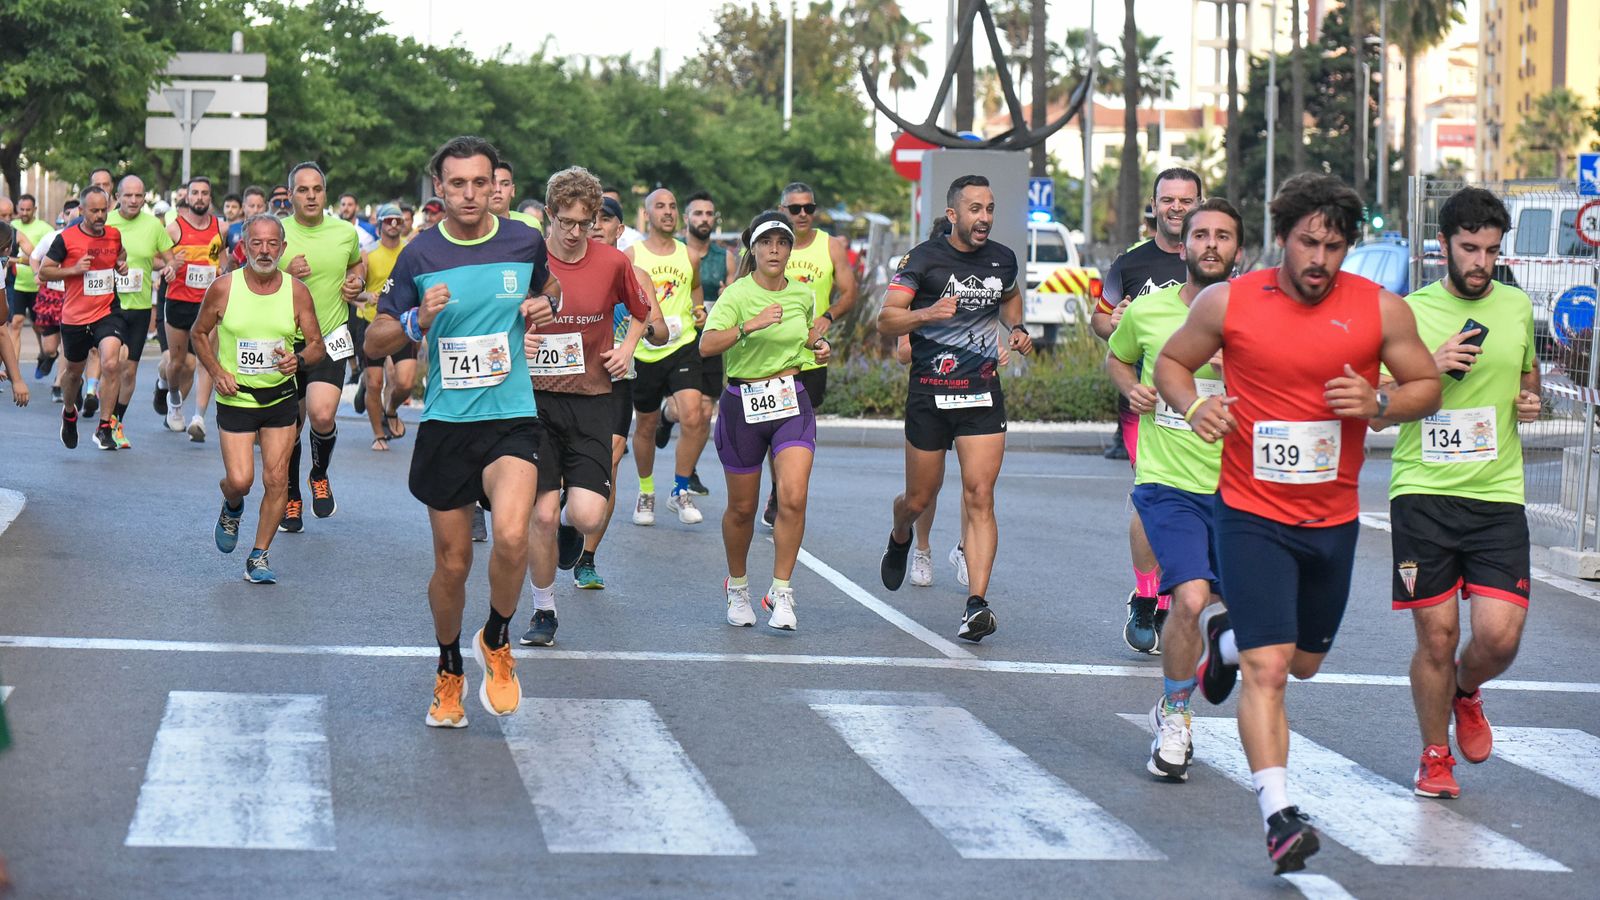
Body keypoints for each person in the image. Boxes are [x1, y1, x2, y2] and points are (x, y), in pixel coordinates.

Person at [1154, 172, 1441, 874]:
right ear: (1282, 238)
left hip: (1331, 521)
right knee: (1271, 669)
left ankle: (1223, 642)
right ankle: (1279, 816)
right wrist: (1195, 408)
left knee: (1304, 664)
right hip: (1250, 512)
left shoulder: (1379, 310)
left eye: (1334, 246)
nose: (1320, 259)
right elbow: (1170, 363)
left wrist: (1377, 403)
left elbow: (1426, 387)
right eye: (1308, 242)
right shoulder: (1231, 301)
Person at [365, 135, 559, 729]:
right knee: (452, 566)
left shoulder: (525, 239)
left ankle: (496, 638)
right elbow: (374, 342)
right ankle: (449, 666)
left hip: (512, 415)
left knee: (511, 536)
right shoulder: (420, 255)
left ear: (493, 183)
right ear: (439, 189)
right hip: (448, 422)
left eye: (481, 183)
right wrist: (415, 320)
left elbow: (549, 288)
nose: (470, 194)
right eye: (457, 184)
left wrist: (545, 305)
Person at [1379, 188, 1541, 799]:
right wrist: (1433, 366)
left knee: (1499, 638)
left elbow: (1528, 379)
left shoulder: (1518, 306)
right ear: (1443, 245)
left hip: (1498, 492)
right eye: (1469, 248)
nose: (1480, 262)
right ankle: (1434, 755)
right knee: (1438, 637)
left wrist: (1531, 400)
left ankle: (1465, 692)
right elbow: (1375, 407)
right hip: (1423, 490)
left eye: (1491, 251)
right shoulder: (1408, 312)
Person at [1106, 198, 1243, 782]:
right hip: (1169, 483)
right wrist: (1132, 389)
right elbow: (1119, 358)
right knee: (1188, 598)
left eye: (1224, 236)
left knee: (1237, 615)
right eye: (1201, 235)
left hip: (1240, 488)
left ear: (1239, 248)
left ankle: (1217, 653)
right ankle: (1176, 714)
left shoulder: (1254, 317)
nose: (1211, 245)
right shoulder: (1151, 311)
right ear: (1181, 246)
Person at [876, 174, 1033, 643]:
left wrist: (1018, 328)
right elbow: (886, 318)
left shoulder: (1002, 259)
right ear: (953, 215)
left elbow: (1009, 298)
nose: (984, 218)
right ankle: (901, 532)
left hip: (981, 393)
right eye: (974, 210)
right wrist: (926, 314)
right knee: (919, 499)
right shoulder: (922, 260)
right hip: (930, 394)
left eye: (989, 209)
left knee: (980, 494)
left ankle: (976, 605)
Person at [519, 166, 662, 646]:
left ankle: (567, 524)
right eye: (566, 222)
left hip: (593, 399)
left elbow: (643, 313)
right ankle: (543, 611)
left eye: (585, 222)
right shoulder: (527, 262)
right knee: (536, 514)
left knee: (587, 516)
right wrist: (521, 343)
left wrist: (627, 349)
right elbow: (502, 320)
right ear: (549, 218)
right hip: (535, 400)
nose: (576, 232)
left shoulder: (613, 263)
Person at [1091, 168, 1204, 655]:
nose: (1176, 207)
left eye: (1186, 199)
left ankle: (1169, 598)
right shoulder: (1131, 263)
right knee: (1149, 497)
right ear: (1154, 206)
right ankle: (1145, 595)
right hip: (1149, 406)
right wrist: (1110, 320)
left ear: (1200, 202)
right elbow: (1102, 320)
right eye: (1168, 200)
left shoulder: (1218, 264)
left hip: (1209, 407)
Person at [702, 210, 830, 630]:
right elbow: (707, 345)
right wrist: (748, 326)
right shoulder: (737, 295)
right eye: (767, 243)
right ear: (753, 249)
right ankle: (737, 587)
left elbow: (805, 337)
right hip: (743, 403)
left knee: (792, 496)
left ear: (791, 249)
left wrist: (819, 346)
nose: (775, 250)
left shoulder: (803, 295)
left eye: (783, 243)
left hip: (791, 399)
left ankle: (781, 590)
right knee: (742, 508)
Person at [192, 213, 325, 583]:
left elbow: (317, 345)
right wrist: (218, 373)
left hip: (281, 398)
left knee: (277, 479)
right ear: (244, 247)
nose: (264, 251)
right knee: (240, 480)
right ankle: (232, 506)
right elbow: (199, 333)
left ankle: (259, 556)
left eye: (272, 244)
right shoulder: (223, 288)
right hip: (237, 399)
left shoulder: (297, 291)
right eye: (257, 243)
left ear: (282, 248)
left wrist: (297, 360)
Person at [754, 182, 859, 528]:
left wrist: (827, 317)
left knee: (800, 423)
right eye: (794, 208)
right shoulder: (768, 245)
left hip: (810, 354)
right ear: (781, 209)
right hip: (771, 353)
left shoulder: (829, 246)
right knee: (773, 422)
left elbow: (849, 292)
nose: (802, 215)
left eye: (808, 208)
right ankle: (777, 487)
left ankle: (787, 488)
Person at [573, 197, 663, 589]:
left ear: (619, 229)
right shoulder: (563, 267)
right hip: (567, 380)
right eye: (590, 219)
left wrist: (651, 333)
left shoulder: (635, 274)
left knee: (608, 462)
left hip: (616, 381)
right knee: (564, 471)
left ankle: (587, 558)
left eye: (604, 219)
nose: (595, 225)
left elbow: (656, 327)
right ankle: (566, 517)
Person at [276, 161, 364, 531]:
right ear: (290, 194)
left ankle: (319, 474)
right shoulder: (275, 233)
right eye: (302, 190)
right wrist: (282, 273)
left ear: (325, 193)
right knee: (289, 428)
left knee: (323, 415)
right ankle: (292, 495)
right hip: (283, 342)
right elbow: (245, 274)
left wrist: (356, 283)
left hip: (330, 337)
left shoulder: (345, 232)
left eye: (317, 189)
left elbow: (358, 268)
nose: (311, 196)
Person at [626, 188, 708, 526]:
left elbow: (696, 288)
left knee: (694, 416)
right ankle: (646, 491)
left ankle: (680, 488)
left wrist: (700, 309)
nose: (668, 212)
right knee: (645, 425)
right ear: (647, 215)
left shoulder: (689, 255)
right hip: (645, 351)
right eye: (660, 206)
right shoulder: (632, 255)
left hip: (682, 344)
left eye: (673, 206)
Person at [655, 190, 735, 497]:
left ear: (715, 220)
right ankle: (665, 416)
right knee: (680, 409)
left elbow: (733, 297)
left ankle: (688, 473)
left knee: (703, 413)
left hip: (710, 340)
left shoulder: (725, 257)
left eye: (709, 214)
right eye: (697, 213)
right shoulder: (674, 253)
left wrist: (730, 293)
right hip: (676, 341)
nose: (704, 219)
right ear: (686, 218)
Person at [38, 186, 129, 451]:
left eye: (104, 210)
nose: (100, 216)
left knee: (111, 362)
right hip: (76, 315)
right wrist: (74, 269)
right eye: (94, 211)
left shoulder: (113, 235)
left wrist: (121, 265)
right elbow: (44, 272)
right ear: (82, 210)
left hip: (107, 311)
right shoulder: (66, 239)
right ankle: (69, 413)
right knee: (73, 373)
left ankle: (104, 427)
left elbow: (120, 255)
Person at [105, 174, 176, 448]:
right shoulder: (107, 222)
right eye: (128, 195)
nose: (133, 200)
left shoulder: (153, 226)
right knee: (114, 362)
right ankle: (103, 417)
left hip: (140, 305)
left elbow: (170, 260)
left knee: (129, 372)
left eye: (139, 195)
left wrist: (170, 268)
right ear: (118, 197)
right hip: (110, 306)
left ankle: (115, 422)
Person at [162, 175, 227, 441]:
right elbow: (160, 259)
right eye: (195, 193)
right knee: (177, 363)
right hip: (179, 301)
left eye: (204, 193)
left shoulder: (220, 228)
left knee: (206, 360)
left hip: (209, 304)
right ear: (186, 197)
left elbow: (223, 259)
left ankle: (198, 418)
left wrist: (223, 270)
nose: (199, 197)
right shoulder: (173, 229)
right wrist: (168, 266)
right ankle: (174, 399)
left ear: (210, 198)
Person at [354, 204, 416, 450]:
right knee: (375, 383)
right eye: (388, 220)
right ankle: (379, 434)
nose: (393, 224)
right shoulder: (367, 254)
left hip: (403, 325)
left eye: (397, 221)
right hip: (372, 324)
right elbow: (349, 292)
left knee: (405, 382)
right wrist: (367, 296)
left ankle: (390, 408)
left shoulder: (411, 252)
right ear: (379, 225)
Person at [10, 194, 56, 377]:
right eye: (21, 209)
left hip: (39, 287)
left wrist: (16, 260)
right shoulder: (12, 227)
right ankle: (13, 368)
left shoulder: (45, 229)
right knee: (16, 323)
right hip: (17, 285)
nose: (24, 213)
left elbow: (46, 257)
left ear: (34, 210)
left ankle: (44, 354)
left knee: (39, 326)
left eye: (28, 209)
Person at [492, 162, 543, 231]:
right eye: (492, 183)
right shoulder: (473, 226)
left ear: (513, 190)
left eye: (505, 184)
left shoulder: (530, 225)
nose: (498, 189)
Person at [602, 186, 643, 250]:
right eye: (603, 203)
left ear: (620, 206)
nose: (607, 205)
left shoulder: (635, 239)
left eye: (612, 203)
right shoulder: (588, 237)